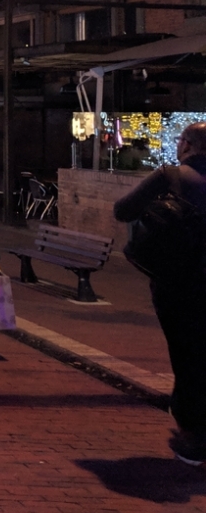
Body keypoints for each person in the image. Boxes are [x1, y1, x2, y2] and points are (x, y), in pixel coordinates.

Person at [114, 122, 206, 466]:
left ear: (187, 144)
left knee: (188, 354)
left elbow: (123, 209)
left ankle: (194, 437)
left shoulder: (171, 176)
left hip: (180, 281)